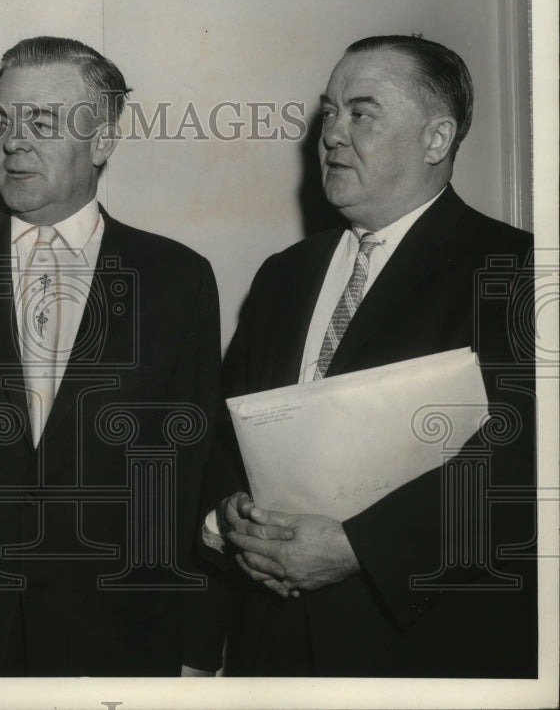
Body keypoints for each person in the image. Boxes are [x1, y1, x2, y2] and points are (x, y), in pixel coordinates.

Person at [0, 36, 225, 676]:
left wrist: (197, 646)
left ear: (105, 141)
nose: (11, 142)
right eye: (1, 121)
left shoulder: (178, 278)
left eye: (42, 121)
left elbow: (191, 475)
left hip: (114, 641)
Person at [205, 35, 537, 677]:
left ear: (436, 140)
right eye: (329, 111)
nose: (331, 133)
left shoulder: (518, 270)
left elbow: (524, 465)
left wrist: (361, 548)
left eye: (361, 112)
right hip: (272, 648)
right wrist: (230, 513)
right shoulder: (283, 274)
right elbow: (225, 432)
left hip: (423, 651)